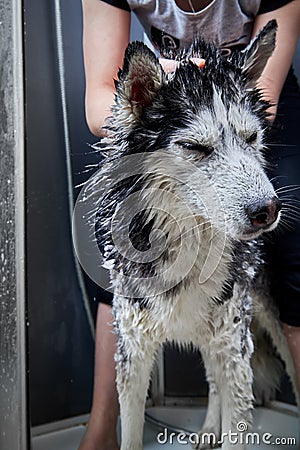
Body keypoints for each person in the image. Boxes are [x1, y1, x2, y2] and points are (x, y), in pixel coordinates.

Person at [79, 1, 300, 449]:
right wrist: (154, 106)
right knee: (113, 248)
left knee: (294, 255)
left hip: (243, 94)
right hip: (162, 99)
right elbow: (99, 100)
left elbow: (263, 99)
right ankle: (102, 426)